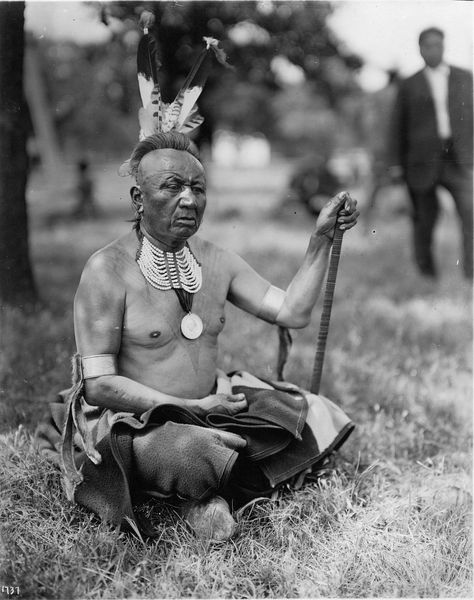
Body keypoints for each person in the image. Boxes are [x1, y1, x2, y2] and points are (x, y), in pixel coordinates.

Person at [35, 27, 359, 543]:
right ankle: (205, 486)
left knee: (312, 413)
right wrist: (193, 411)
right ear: (139, 200)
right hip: (142, 422)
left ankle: (201, 488)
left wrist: (319, 240)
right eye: (172, 187)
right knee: (192, 451)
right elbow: (98, 386)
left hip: (212, 404)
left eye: (198, 187)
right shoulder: (106, 269)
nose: (189, 199)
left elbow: (292, 311)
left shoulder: (218, 260)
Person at [388, 27, 473, 279]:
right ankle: (427, 275)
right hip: (421, 162)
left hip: (459, 159)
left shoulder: (464, 77)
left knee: (471, 216)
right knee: (424, 221)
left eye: (438, 44)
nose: (434, 49)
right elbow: (396, 126)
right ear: (420, 49)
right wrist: (395, 164)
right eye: (428, 45)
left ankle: (471, 275)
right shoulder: (409, 84)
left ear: (444, 46)